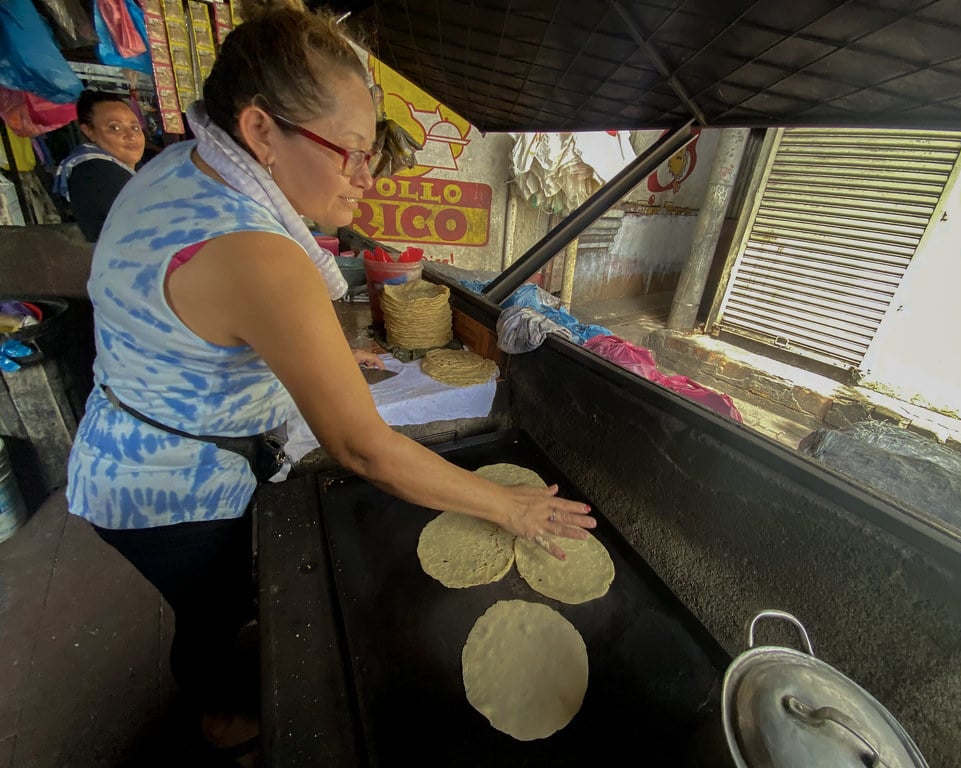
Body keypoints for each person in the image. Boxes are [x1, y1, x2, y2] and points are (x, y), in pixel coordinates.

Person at [64, 0, 595, 761]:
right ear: (259, 131)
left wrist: (322, 354)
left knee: (209, 609)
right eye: (346, 150)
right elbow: (364, 449)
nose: (363, 179)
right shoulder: (256, 250)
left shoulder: (183, 167)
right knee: (211, 616)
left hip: (122, 442)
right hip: (168, 490)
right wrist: (508, 508)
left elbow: (197, 315)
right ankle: (222, 723)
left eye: (367, 151)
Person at [53, 90, 145, 241]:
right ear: (89, 131)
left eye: (135, 127)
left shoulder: (118, 169)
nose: (131, 135)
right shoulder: (95, 171)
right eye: (114, 127)